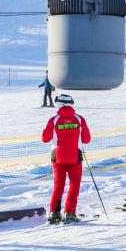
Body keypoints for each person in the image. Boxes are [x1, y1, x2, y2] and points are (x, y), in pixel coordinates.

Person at [41, 92, 91, 223]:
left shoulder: (54, 120)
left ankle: (54, 213)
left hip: (57, 157)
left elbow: (45, 139)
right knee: (74, 184)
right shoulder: (79, 119)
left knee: (58, 184)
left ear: (59, 104)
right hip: (75, 156)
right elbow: (87, 139)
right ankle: (69, 213)